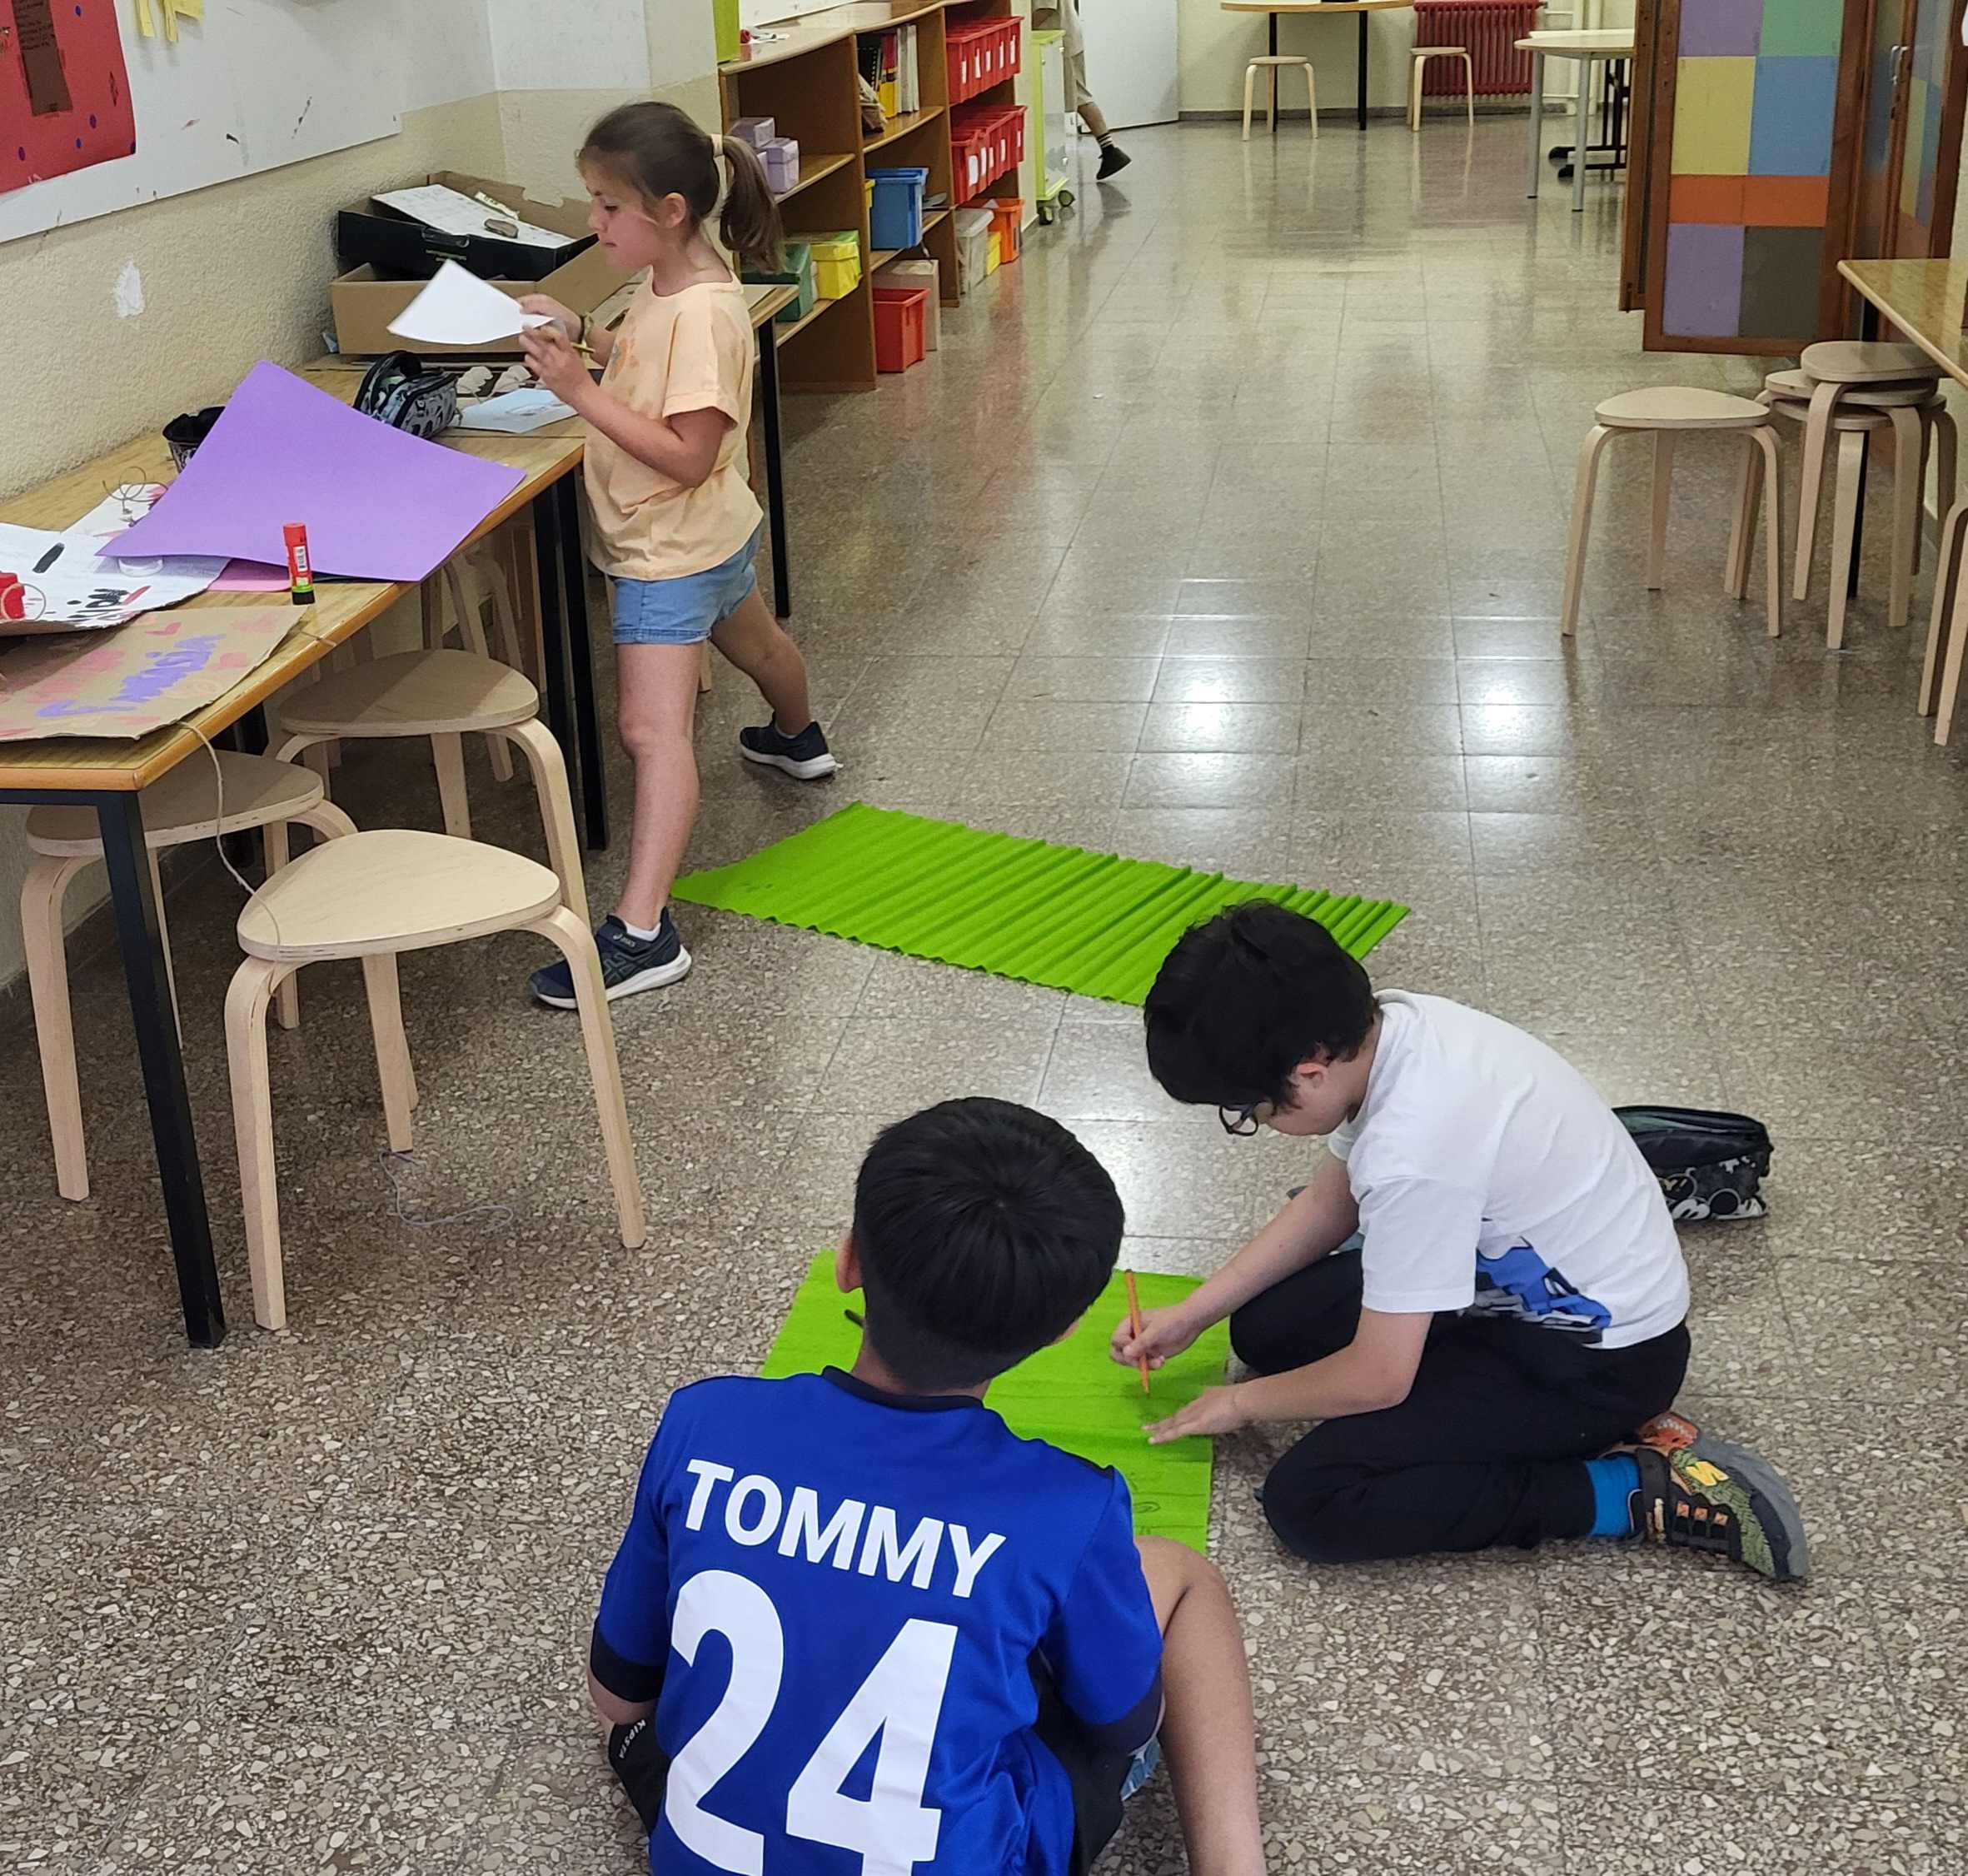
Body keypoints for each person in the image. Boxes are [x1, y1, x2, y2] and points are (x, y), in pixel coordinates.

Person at [589, 1098, 1268, 1876]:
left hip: (707, 1851)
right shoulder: (1067, 1507)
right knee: (1179, 1574)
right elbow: (1123, 1725)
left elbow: (619, 1701)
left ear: (848, 1262)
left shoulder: (703, 1421)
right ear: (1062, 1329)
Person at [1113, 901, 1809, 1584]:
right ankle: (1423, 1306)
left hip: (1599, 1366)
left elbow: (1375, 1380)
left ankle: (1628, 1491)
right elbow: (1331, 1201)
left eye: (1247, 1110)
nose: (1251, 1122)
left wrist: (1236, 1406)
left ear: (1309, 1070)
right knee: (1265, 1328)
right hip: (1518, 1294)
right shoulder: (1397, 1027)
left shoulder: (1412, 1155)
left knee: (1312, 1502)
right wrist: (1195, 1311)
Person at [517, 102, 835, 1009]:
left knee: (649, 733)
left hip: (667, 546)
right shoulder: (674, 281)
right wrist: (587, 337)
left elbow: (688, 453)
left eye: (607, 205)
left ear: (667, 210)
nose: (593, 222)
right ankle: (796, 736)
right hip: (714, 530)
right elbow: (650, 371)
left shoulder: (700, 311)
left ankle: (643, 932)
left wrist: (577, 391)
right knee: (757, 642)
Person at [1054, 0, 1130, 178]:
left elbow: (1045, 11)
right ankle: (1109, 149)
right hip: (1068, 35)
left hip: (1061, 41)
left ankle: (1110, 151)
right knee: (1079, 95)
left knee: (1077, 95)